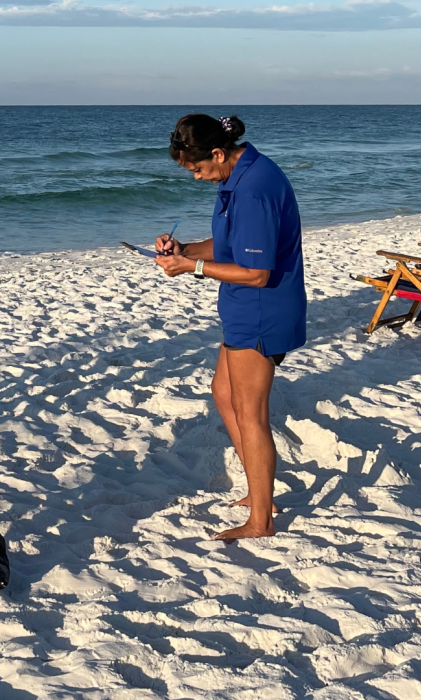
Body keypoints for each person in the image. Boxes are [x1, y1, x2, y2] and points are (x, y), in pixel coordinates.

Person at [155, 114, 306, 541]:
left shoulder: (256, 188)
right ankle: (262, 495)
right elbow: (229, 245)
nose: (199, 178)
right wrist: (184, 249)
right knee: (223, 392)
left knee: (251, 414)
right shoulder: (237, 176)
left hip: (262, 307)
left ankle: (261, 520)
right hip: (243, 307)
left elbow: (256, 271)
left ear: (218, 153)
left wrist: (192, 267)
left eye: (199, 169)